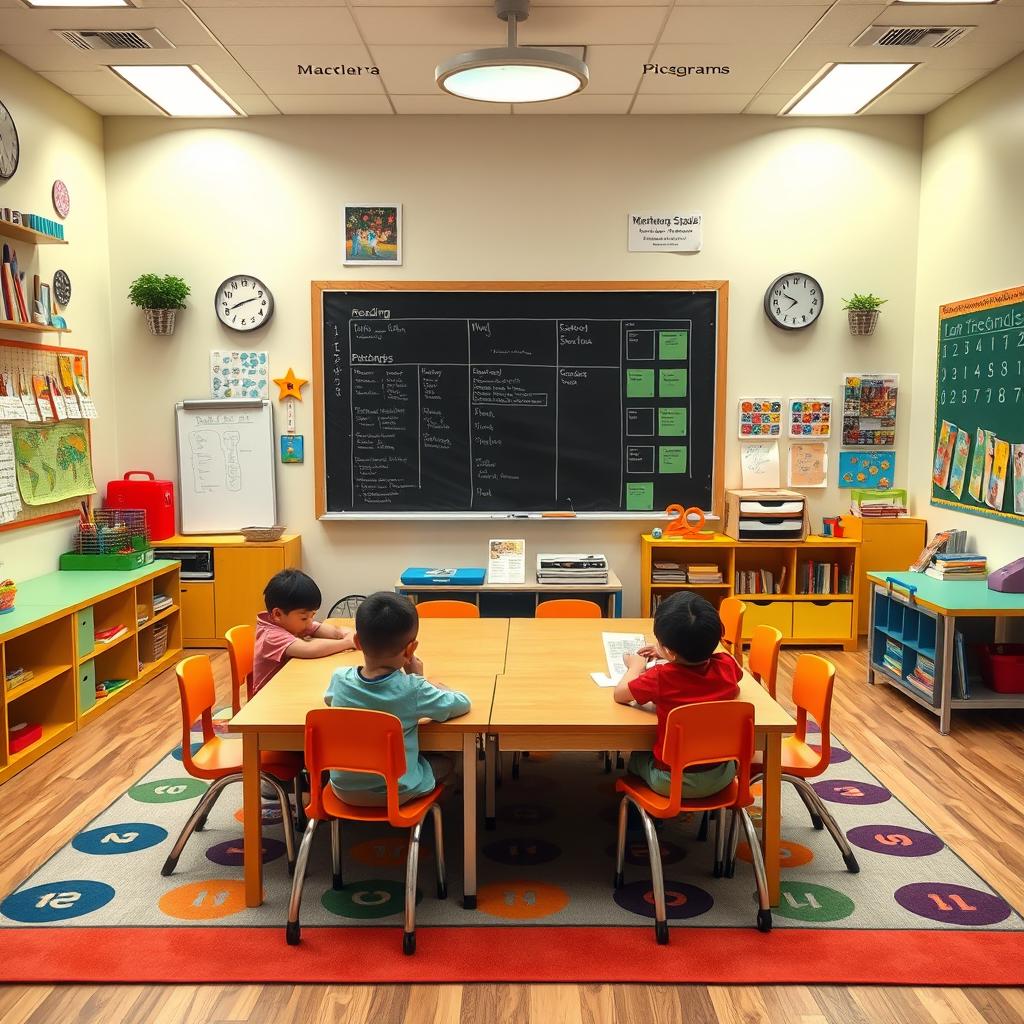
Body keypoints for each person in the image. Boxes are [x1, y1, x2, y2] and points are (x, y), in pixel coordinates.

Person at [324, 591, 470, 805]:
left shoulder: (339, 679)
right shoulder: (413, 689)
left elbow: (329, 699)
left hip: (344, 790)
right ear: (411, 648)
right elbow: (461, 703)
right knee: (449, 760)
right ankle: (432, 816)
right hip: (397, 791)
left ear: (357, 642)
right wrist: (420, 679)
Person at [614, 592, 742, 798]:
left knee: (637, 756)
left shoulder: (660, 677)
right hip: (722, 775)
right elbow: (735, 681)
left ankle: (640, 819)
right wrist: (667, 652)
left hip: (671, 782)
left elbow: (620, 694)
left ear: (671, 652)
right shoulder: (727, 666)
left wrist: (635, 666)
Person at [252, 569, 356, 696]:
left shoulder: (293, 623)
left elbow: (336, 631)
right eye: (304, 617)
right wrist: (348, 642)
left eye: (312, 615)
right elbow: (308, 649)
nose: (310, 622)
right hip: (268, 696)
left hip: (289, 685)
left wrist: (350, 635)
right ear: (277, 614)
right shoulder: (270, 635)